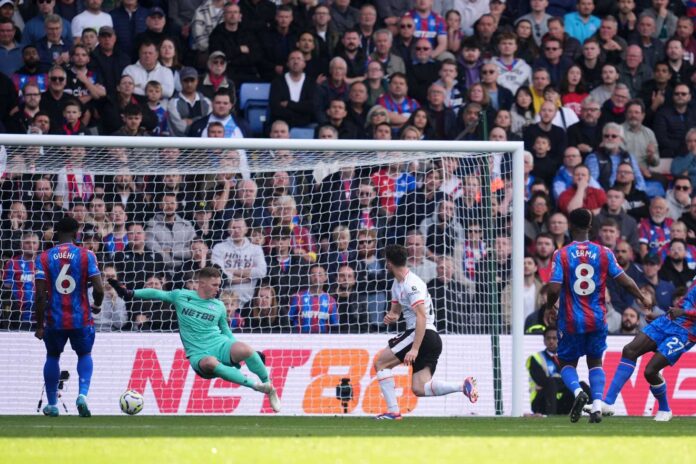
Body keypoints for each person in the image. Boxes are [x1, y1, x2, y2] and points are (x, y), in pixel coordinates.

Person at [108, 266, 281, 412]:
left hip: (219, 343)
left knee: (246, 350)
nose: (217, 288)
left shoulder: (219, 305)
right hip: (198, 353)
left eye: (219, 285)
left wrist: (236, 347)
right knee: (210, 363)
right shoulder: (182, 296)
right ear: (202, 283)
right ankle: (256, 386)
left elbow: (226, 331)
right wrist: (131, 293)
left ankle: (270, 387)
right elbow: (157, 293)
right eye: (214, 285)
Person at [544, 208, 648, 423]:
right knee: (595, 363)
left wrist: (548, 307)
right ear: (591, 227)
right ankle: (597, 406)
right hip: (597, 318)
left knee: (566, 363)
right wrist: (641, 297)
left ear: (570, 226)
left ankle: (577, 393)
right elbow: (624, 280)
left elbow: (554, 289)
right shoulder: (604, 253)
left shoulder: (561, 254)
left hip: (571, 319)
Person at [373, 244, 478, 420]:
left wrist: (414, 349)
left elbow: (421, 317)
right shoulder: (397, 284)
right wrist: (391, 316)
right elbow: (396, 312)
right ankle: (462, 386)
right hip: (431, 338)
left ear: (388, 263)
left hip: (422, 334)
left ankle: (393, 411)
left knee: (381, 364)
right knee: (419, 388)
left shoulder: (412, 284)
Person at [33, 216, 104, 417]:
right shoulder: (86, 255)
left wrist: (39, 325)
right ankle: (82, 395)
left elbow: (39, 295)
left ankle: (53, 404)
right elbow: (98, 288)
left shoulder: (44, 257)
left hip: (54, 319)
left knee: (53, 356)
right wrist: (97, 305)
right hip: (81, 318)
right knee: (85, 354)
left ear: (56, 233)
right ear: (76, 233)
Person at [601, 282, 696, 421]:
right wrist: (661, 316)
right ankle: (608, 402)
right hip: (668, 320)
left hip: (685, 332)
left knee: (650, 371)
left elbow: (686, 309)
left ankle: (665, 408)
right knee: (629, 350)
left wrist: (683, 312)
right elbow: (688, 300)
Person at [527, 327, 576, 415]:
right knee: (551, 383)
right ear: (544, 340)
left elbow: (571, 379)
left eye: (554, 338)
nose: (551, 341)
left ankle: (595, 413)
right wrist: (561, 381)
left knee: (580, 385)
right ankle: (551, 416)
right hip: (540, 401)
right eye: (548, 338)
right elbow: (543, 380)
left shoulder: (565, 358)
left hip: (561, 401)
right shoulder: (535, 358)